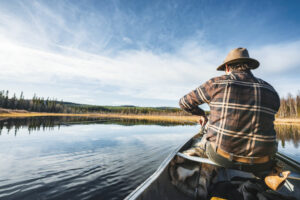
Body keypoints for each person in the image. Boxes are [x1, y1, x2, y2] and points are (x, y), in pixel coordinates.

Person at [179, 47, 280, 173]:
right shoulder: (271, 90)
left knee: (206, 133)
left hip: (223, 158)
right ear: (249, 67)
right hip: (262, 163)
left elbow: (184, 103)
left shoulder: (216, 83)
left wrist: (203, 115)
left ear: (227, 67)